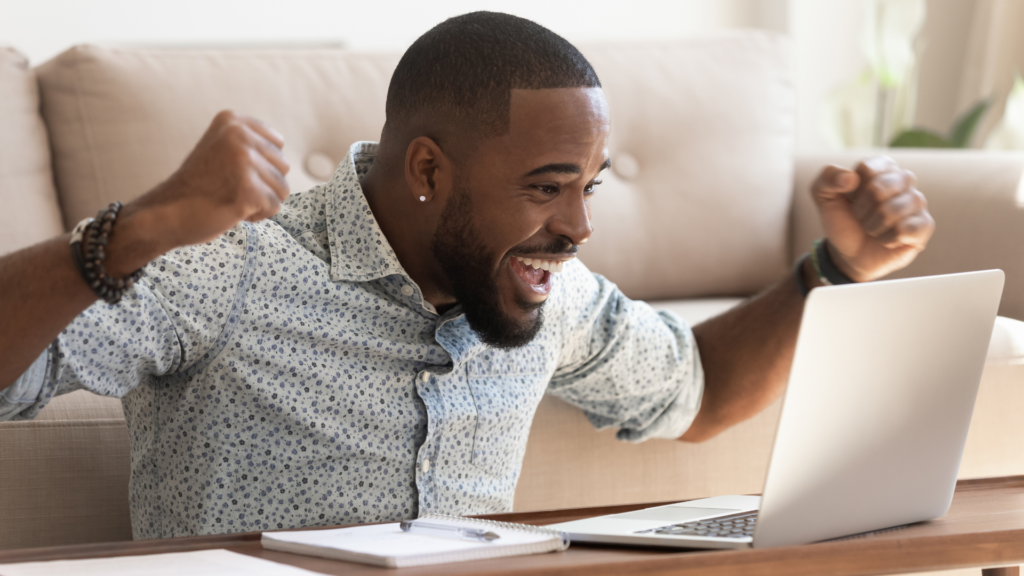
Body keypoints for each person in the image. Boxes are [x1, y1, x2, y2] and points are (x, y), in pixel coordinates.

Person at [0, 12, 934, 539]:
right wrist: (136, 233)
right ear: (428, 172)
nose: (578, 227)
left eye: (588, 186)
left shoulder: (548, 290)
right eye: (544, 188)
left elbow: (700, 388)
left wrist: (835, 268)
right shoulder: (233, 270)